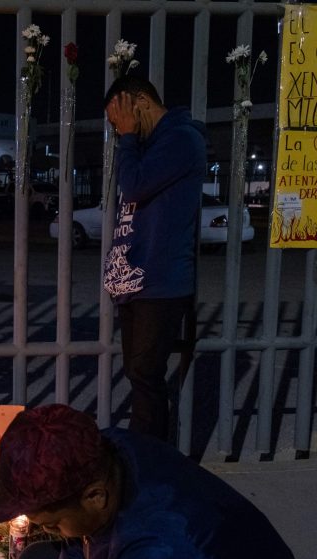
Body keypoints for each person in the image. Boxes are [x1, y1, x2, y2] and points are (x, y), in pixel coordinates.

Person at [0, 405, 313, 559]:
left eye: (51, 523)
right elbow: (77, 546)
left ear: (94, 496)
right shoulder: (105, 451)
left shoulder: (159, 550)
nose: (49, 530)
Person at [102, 75, 206, 441]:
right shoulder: (156, 144)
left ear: (140, 102)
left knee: (145, 374)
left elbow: (134, 185)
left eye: (120, 119)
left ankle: (151, 461)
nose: (120, 131)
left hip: (160, 282)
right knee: (139, 374)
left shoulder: (181, 139)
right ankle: (147, 454)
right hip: (139, 281)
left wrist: (129, 137)